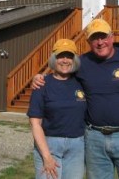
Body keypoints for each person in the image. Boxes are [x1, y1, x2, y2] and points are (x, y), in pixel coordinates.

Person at [32, 19, 119, 179]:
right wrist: (39, 77)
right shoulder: (82, 63)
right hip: (94, 139)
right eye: (95, 38)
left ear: (112, 37)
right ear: (89, 42)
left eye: (104, 37)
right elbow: (61, 73)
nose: (100, 42)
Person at [27, 39, 87, 179]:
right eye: (61, 56)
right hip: (49, 145)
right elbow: (35, 124)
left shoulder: (82, 83)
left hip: (77, 147)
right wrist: (47, 157)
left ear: (75, 59)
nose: (65, 60)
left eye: (69, 56)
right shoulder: (42, 84)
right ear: (54, 58)